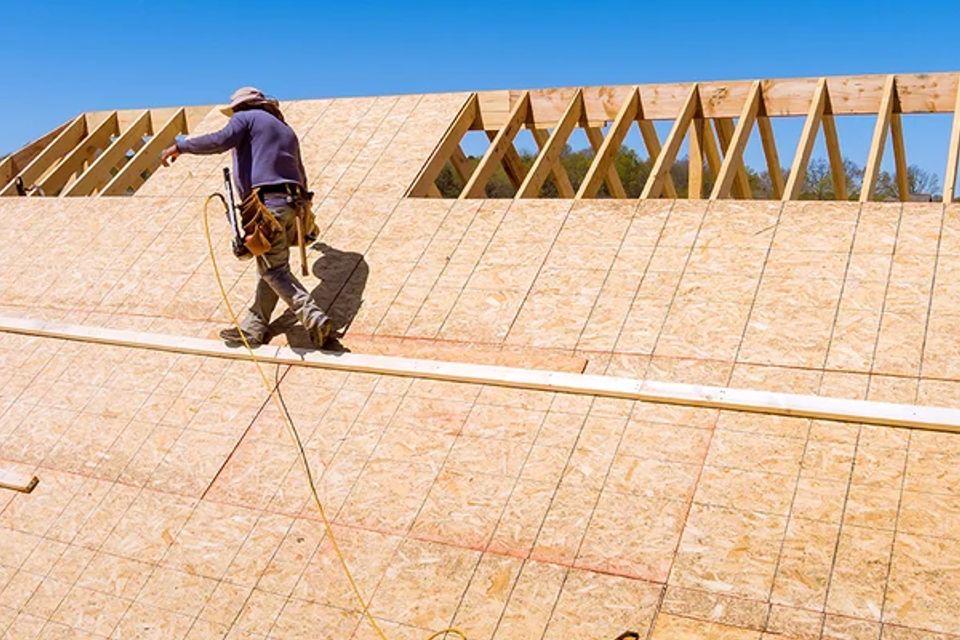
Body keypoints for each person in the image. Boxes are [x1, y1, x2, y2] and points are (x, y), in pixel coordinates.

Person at [161, 87, 332, 349]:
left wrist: (181, 146)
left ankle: (313, 316)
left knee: (273, 270)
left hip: (267, 207)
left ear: (242, 106)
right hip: (292, 206)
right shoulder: (285, 130)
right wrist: (305, 212)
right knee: (269, 266)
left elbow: (220, 140)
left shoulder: (246, 118)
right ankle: (254, 328)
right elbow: (301, 172)